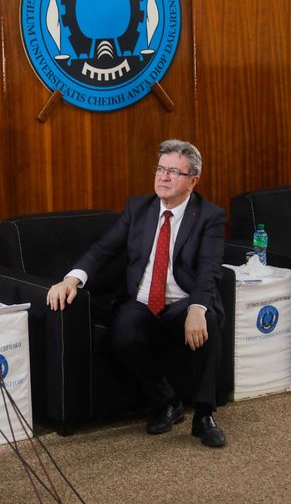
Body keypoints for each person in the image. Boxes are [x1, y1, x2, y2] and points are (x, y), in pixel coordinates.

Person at [46, 140, 227, 447]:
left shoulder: (209, 215)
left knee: (207, 320)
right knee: (123, 335)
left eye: (173, 171)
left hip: (182, 300)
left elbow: (209, 267)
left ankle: (204, 415)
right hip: (141, 301)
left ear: (192, 181)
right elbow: (104, 249)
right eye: (160, 169)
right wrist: (72, 280)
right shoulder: (138, 208)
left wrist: (197, 308)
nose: (163, 177)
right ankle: (167, 401)